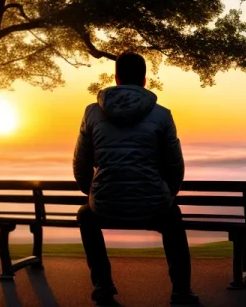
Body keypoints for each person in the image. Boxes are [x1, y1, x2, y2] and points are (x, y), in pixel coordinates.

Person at [73, 51, 200, 306]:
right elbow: (174, 165)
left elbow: (81, 163)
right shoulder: (162, 115)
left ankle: (103, 286)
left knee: (86, 215)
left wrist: (93, 192)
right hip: (153, 205)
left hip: (105, 204)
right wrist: (168, 193)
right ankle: (181, 292)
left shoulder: (92, 113)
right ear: (144, 80)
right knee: (173, 217)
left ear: (116, 78)